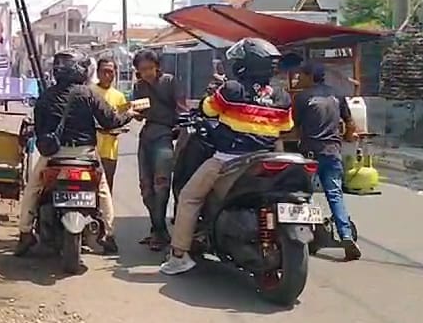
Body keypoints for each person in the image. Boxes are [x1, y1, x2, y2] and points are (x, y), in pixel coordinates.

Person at [160, 37, 294, 275]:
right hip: (267, 158)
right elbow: (286, 126)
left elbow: (207, 108)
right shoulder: (282, 97)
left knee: (190, 197)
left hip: (228, 159)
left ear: (245, 64)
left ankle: (179, 255)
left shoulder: (232, 89)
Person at [14, 49, 135, 257]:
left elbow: (40, 129)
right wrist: (129, 114)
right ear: (80, 69)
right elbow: (110, 121)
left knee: (33, 188)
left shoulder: (46, 96)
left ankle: (25, 233)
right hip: (85, 155)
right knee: (103, 190)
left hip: (54, 155)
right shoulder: (88, 94)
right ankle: (108, 234)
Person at [293, 61, 362, 261]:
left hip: (310, 154)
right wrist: (348, 137)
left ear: (310, 76)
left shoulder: (302, 98)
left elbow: (293, 128)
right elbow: (350, 124)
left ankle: (307, 236)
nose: (299, 79)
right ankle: (346, 236)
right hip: (332, 152)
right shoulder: (337, 95)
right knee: (335, 195)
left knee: (304, 195)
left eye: (301, 75)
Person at [132, 49, 187, 251]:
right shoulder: (139, 87)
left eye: (149, 68)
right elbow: (138, 115)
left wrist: (180, 130)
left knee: (161, 185)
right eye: (142, 69)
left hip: (165, 136)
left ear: (157, 67)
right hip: (146, 136)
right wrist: (133, 111)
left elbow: (182, 109)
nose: (146, 72)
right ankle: (158, 229)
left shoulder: (170, 82)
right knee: (146, 188)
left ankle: (159, 231)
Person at [91, 57, 127, 193]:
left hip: (110, 151)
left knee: (106, 188)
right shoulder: (89, 91)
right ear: (98, 73)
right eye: (104, 71)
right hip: (90, 149)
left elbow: (122, 119)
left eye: (110, 72)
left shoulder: (119, 97)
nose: (107, 75)